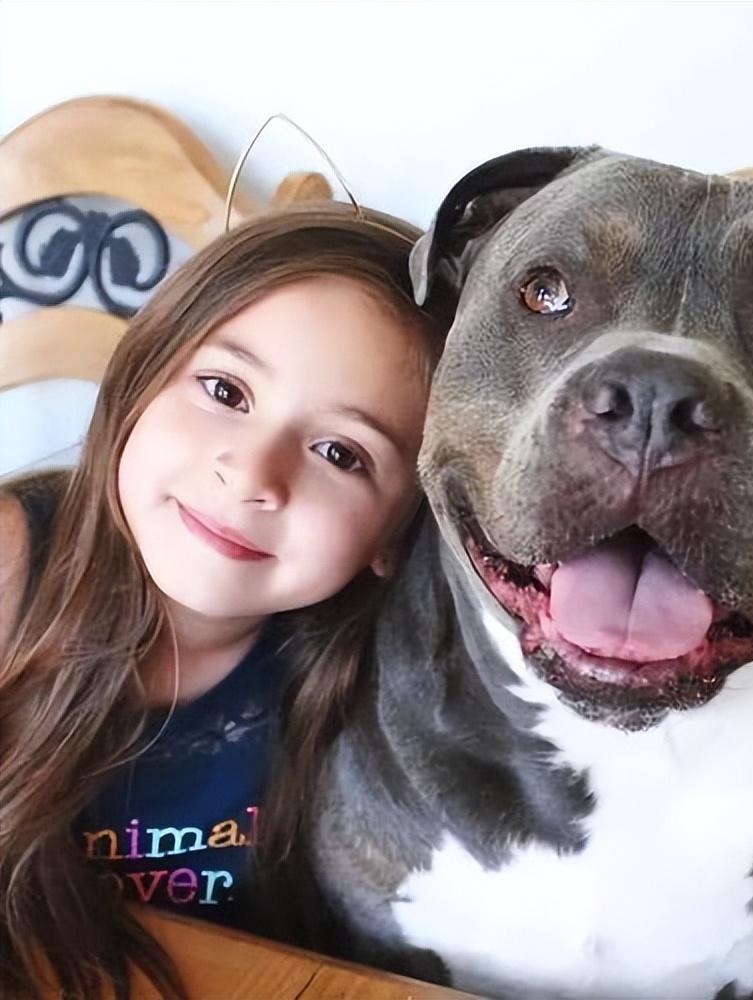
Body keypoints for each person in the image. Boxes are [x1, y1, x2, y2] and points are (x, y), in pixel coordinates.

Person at [0, 204, 450, 999]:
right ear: (141, 378)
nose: (252, 475)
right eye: (225, 391)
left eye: (340, 453)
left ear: (397, 532)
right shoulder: (9, 560)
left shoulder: (384, 687)